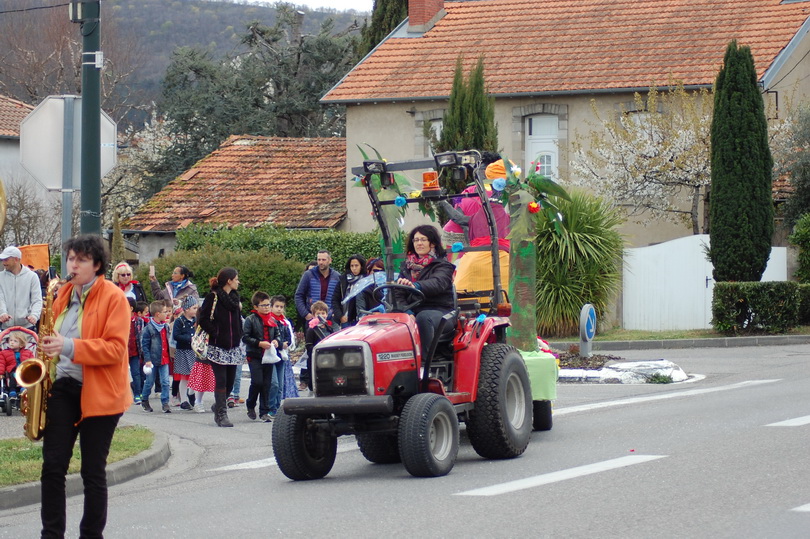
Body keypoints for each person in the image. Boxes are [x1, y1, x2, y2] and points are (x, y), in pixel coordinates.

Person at [38, 234, 130, 538]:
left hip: (101, 393)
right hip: (64, 386)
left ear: (97, 265)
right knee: (52, 467)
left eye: (81, 260)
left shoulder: (114, 297)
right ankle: (51, 534)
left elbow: (115, 349)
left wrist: (68, 346)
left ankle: (91, 535)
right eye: (71, 258)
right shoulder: (62, 293)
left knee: (92, 471)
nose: (73, 265)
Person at [395, 225, 456, 361]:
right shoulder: (406, 267)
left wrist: (415, 285)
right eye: (416, 240)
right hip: (413, 310)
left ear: (432, 243)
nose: (419, 243)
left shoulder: (443, 266)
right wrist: (407, 312)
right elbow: (398, 294)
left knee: (423, 317)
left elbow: (437, 283)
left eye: (423, 239)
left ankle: (424, 362)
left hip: (441, 311)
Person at [198, 267, 244, 427]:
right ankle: (222, 415)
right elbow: (203, 319)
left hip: (233, 347)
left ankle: (218, 405)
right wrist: (215, 332)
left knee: (230, 382)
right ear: (229, 281)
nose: (238, 282)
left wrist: (240, 334)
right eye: (236, 279)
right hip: (217, 347)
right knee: (222, 380)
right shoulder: (213, 297)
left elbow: (237, 320)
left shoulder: (235, 297)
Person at [242, 292, 279, 422]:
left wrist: (276, 341)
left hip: (268, 356)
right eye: (263, 305)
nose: (266, 307)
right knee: (257, 382)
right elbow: (245, 337)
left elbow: (277, 334)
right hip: (255, 355)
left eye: (268, 305)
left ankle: (264, 411)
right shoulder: (250, 319)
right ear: (256, 306)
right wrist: (258, 343)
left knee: (267, 384)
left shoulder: (272, 319)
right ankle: (250, 404)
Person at [140, 301, 173, 413]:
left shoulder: (165, 326)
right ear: (158, 314)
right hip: (153, 360)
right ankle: (144, 399)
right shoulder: (148, 329)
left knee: (165, 382)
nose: (167, 314)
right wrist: (147, 360)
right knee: (149, 382)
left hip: (164, 359)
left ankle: (165, 403)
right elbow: (145, 346)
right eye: (164, 312)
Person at [0, 246, 43, 331]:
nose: (3, 263)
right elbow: (0, 298)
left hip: (27, 327)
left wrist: (34, 315)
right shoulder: (0, 277)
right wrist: (2, 313)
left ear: (16, 259)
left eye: (6, 259)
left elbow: (37, 300)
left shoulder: (32, 277)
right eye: (2, 260)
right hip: (6, 327)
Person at [295, 250, 340, 325]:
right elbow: (299, 295)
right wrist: (305, 314)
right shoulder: (308, 275)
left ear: (330, 261)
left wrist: (335, 313)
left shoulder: (337, 276)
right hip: (312, 318)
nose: (321, 262)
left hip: (330, 319)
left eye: (323, 260)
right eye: (319, 259)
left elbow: (340, 298)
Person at [301, 300, 336, 391]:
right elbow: (309, 346)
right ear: (313, 315)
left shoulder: (329, 328)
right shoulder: (312, 330)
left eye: (323, 313)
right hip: (316, 359)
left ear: (327, 314)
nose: (321, 315)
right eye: (318, 313)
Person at [269, 295, 298, 400]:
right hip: (271, 355)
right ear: (271, 306)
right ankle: (271, 405)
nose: (279, 309)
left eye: (281, 307)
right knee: (274, 383)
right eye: (277, 306)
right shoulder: (269, 321)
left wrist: (287, 343)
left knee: (281, 383)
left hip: (283, 355)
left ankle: (278, 404)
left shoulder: (285, 322)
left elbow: (289, 338)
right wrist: (281, 344)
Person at [172, 296, 198, 410]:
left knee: (194, 375)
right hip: (183, 351)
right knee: (184, 377)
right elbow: (176, 336)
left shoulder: (196, 321)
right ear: (187, 309)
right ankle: (183, 400)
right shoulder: (179, 321)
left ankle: (191, 393)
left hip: (194, 352)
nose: (196, 310)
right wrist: (190, 338)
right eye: (194, 308)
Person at [331, 254, 367, 328]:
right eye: (352, 266)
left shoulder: (366, 280)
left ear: (361, 266)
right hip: (346, 319)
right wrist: (340, 316)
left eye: (356, 265)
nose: (354, 268)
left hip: (361, 319)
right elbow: (335, 299)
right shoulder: (343, 280)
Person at [0, 330, 34, 397]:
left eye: (15, 341)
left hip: (24, 370)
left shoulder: (28, 352)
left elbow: (32, 361)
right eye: (11, 340)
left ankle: (23, 388)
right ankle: (12, 390)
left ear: (21, 344)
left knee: (24, 374)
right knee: (13, 375)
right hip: (11, 370)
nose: (12, 342)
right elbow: (1, 363)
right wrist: (1, 373)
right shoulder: (4, 353)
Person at [126, 298, 144, 404]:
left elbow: (141, 336)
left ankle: (137, 394)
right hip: (123, 352)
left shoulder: (138, 321)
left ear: (131, 308)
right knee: (121, 374)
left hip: (135, 351)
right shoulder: (119, 319)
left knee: (136, 373)